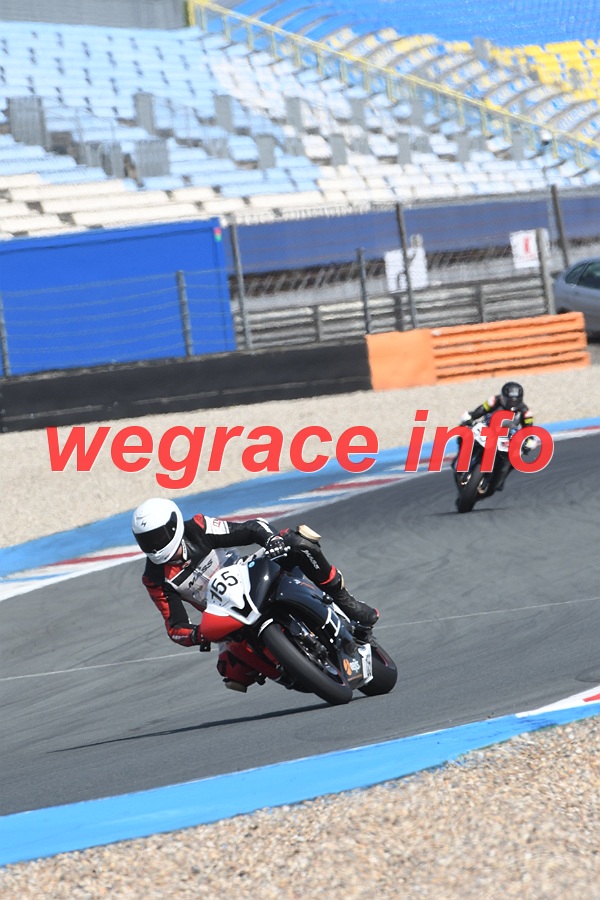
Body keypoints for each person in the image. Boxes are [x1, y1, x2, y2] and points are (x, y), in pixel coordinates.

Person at [132, 498, 379, 692]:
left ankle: (347, 602)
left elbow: (251, 528)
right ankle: (289, 673)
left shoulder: (197, 528)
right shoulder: (154, 578)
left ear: (174, 525)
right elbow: (175, 627)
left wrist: (271, 540)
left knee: (297, 542)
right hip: (226, 612)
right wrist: (197, 635)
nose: (154, 545)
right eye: (146, 540)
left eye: (158, 536)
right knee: (232, 674)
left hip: (250, 574)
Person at [456, 381, 535, 492]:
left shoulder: (526, 412)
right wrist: (470, 418)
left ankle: (500, 479)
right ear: (503, 397)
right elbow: (480, 411)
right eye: (509, 400)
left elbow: (528, 430)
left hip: (507, 436)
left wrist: (528, 441)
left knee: (514, 458)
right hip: (488, 428)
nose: (512, 403)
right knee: (464, 435)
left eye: (515, 401)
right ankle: (461, 459)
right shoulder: (493, 401)